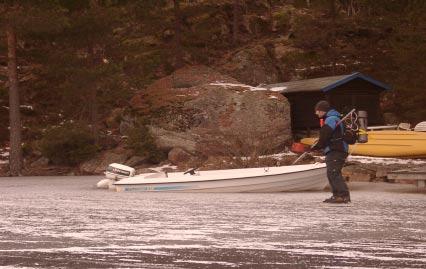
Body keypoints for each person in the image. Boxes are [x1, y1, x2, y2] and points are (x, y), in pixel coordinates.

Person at [311, 100, 351, 203]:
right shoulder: (332, 118)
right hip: (334, 150)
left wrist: (317, 146)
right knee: (331, 173)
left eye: (317, 111)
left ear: (323, 110)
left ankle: (343, 196)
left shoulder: (331, 119)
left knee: (334, 173)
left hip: (337, 150)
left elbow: (325, 134)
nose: (316, 113)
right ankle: (337, 195)